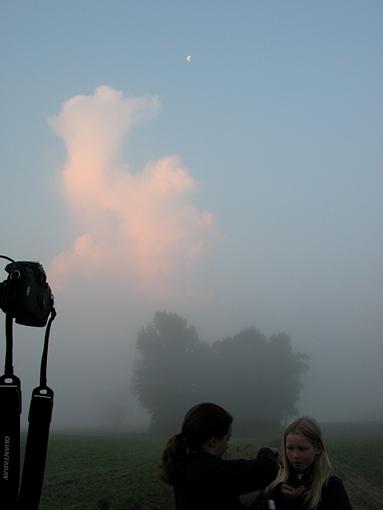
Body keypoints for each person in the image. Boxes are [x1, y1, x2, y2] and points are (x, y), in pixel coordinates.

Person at [159, 402, 279, 510]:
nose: (227, 446)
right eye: (227, 439)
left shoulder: (185, 465)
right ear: (213, 441)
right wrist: (267, 451)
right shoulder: (209, 470)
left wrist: (265, 496)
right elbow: (266, 469)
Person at [258, 415, 352, 509]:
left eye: (302, 449)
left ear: (318, 448)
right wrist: (275, 495)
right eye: (290, 448)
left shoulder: (331, 486)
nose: (295, 455)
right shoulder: (274, 481)